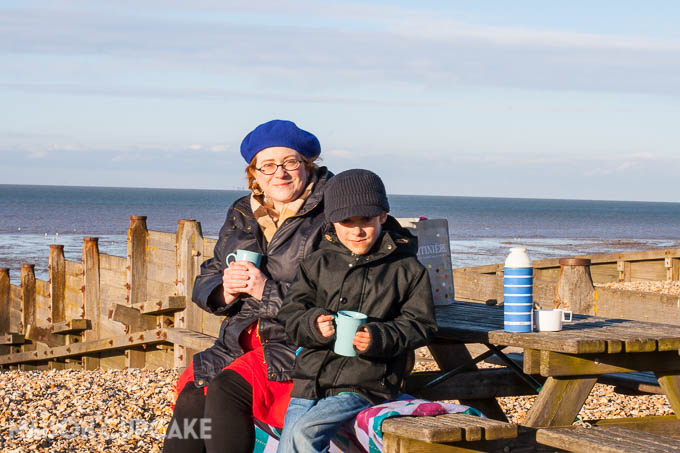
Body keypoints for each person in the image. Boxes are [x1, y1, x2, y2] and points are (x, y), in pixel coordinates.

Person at [162, 120, 332, 453]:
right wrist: (225, 288)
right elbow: (208, 274)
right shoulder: (243, 211)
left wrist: (264, 290)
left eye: (290, 162)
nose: (279, 173)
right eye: (267, 165)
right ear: (253, 173)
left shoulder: (333, 212)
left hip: (297, 346)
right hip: (240, 343)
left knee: (225, 391)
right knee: (193, 395)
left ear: (308, 165)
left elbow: (338, 292)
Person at [276, 169, 438, 453]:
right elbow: (291, 313)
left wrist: (376, 337)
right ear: (332, 221)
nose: (357, 230)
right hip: (309, 380)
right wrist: (313, 325)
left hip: (366, 383)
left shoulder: (407, 268)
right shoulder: (318, 262)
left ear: (383, 216)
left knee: (303, 435)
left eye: (366, 220)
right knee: (288, 445)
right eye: (346, 222)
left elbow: (421, 325)